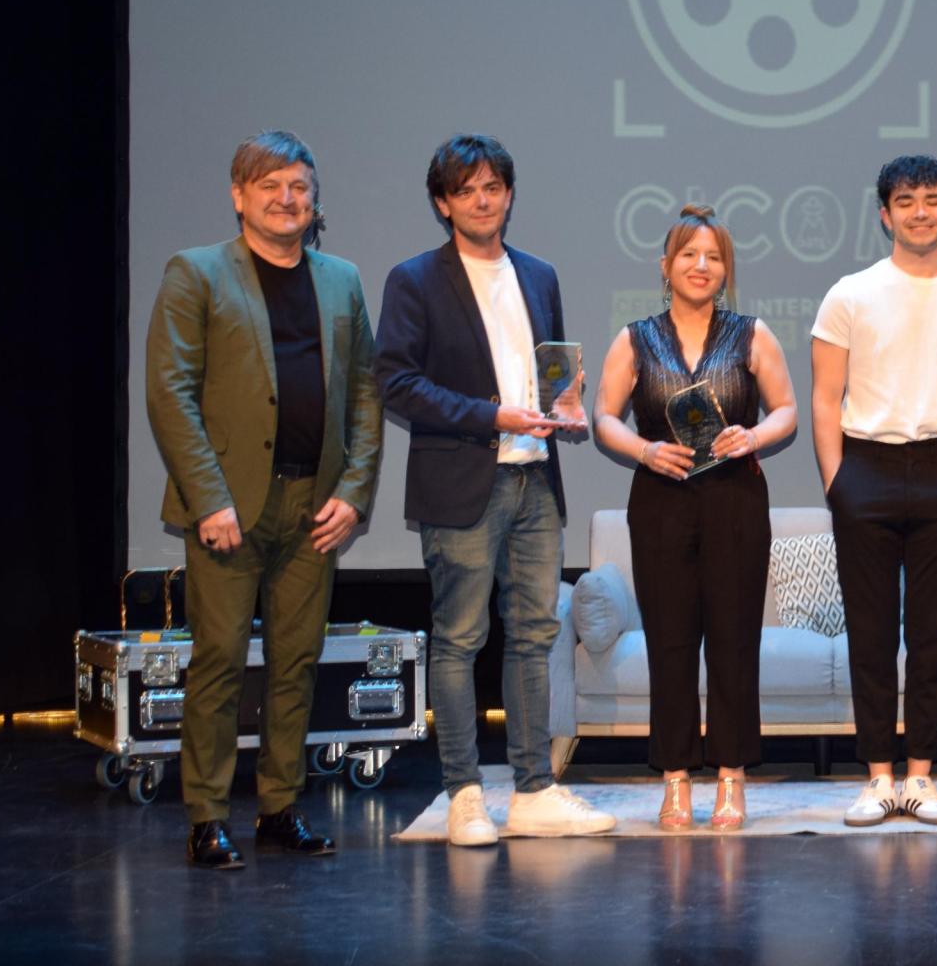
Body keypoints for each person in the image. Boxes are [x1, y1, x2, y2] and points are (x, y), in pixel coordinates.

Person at [146, 130, 383, 869]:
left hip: (315, 505)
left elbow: (366, 394)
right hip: (228, 509)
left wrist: (353, 493)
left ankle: (280, 806)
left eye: (300, 188)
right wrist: (208, 499)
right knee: (217, 661)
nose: (288, 200)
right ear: (239, 194)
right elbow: (170, 394)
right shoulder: (196, 273)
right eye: (271, 186)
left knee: (297, 662)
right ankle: (207, 815)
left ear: (315, 201)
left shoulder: (341, 278)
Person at [377, 134, 615, 846]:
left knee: (536, 636)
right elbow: (396, 381)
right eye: (467, 189)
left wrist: (564, 406)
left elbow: (551, 372)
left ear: (510, 194)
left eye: (494, 187)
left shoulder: (538, 274)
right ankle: (464, 793)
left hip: (536, 478)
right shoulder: (415, 279)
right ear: (444, 203)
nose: (483, 200)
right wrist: (492, 415)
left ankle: (534, 788)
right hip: (462, 480)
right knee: (457, 638)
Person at [812, 154, 937, 826]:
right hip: (863, 469)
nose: (920, 211)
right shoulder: (849, 294)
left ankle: (921, 777)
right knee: (869, 634)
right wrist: (837, 481)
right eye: (905, 200)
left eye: (931, 199)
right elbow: (824, 395)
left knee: (931, 634)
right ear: (883, 214)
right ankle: (876, 777)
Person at [592, 205, 797, 831]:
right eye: (688, 255)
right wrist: (643, 449)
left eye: (713, 256)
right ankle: (676, 778)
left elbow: (787, 408)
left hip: (735, 500)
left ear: (726, 268)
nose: (701, 266)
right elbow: (603, 417)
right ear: (666, 266)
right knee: (671, 641)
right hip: (660, 500)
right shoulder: (633, 338)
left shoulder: (753, 334)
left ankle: (731, 777)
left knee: (734, 640)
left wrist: (755, 436)